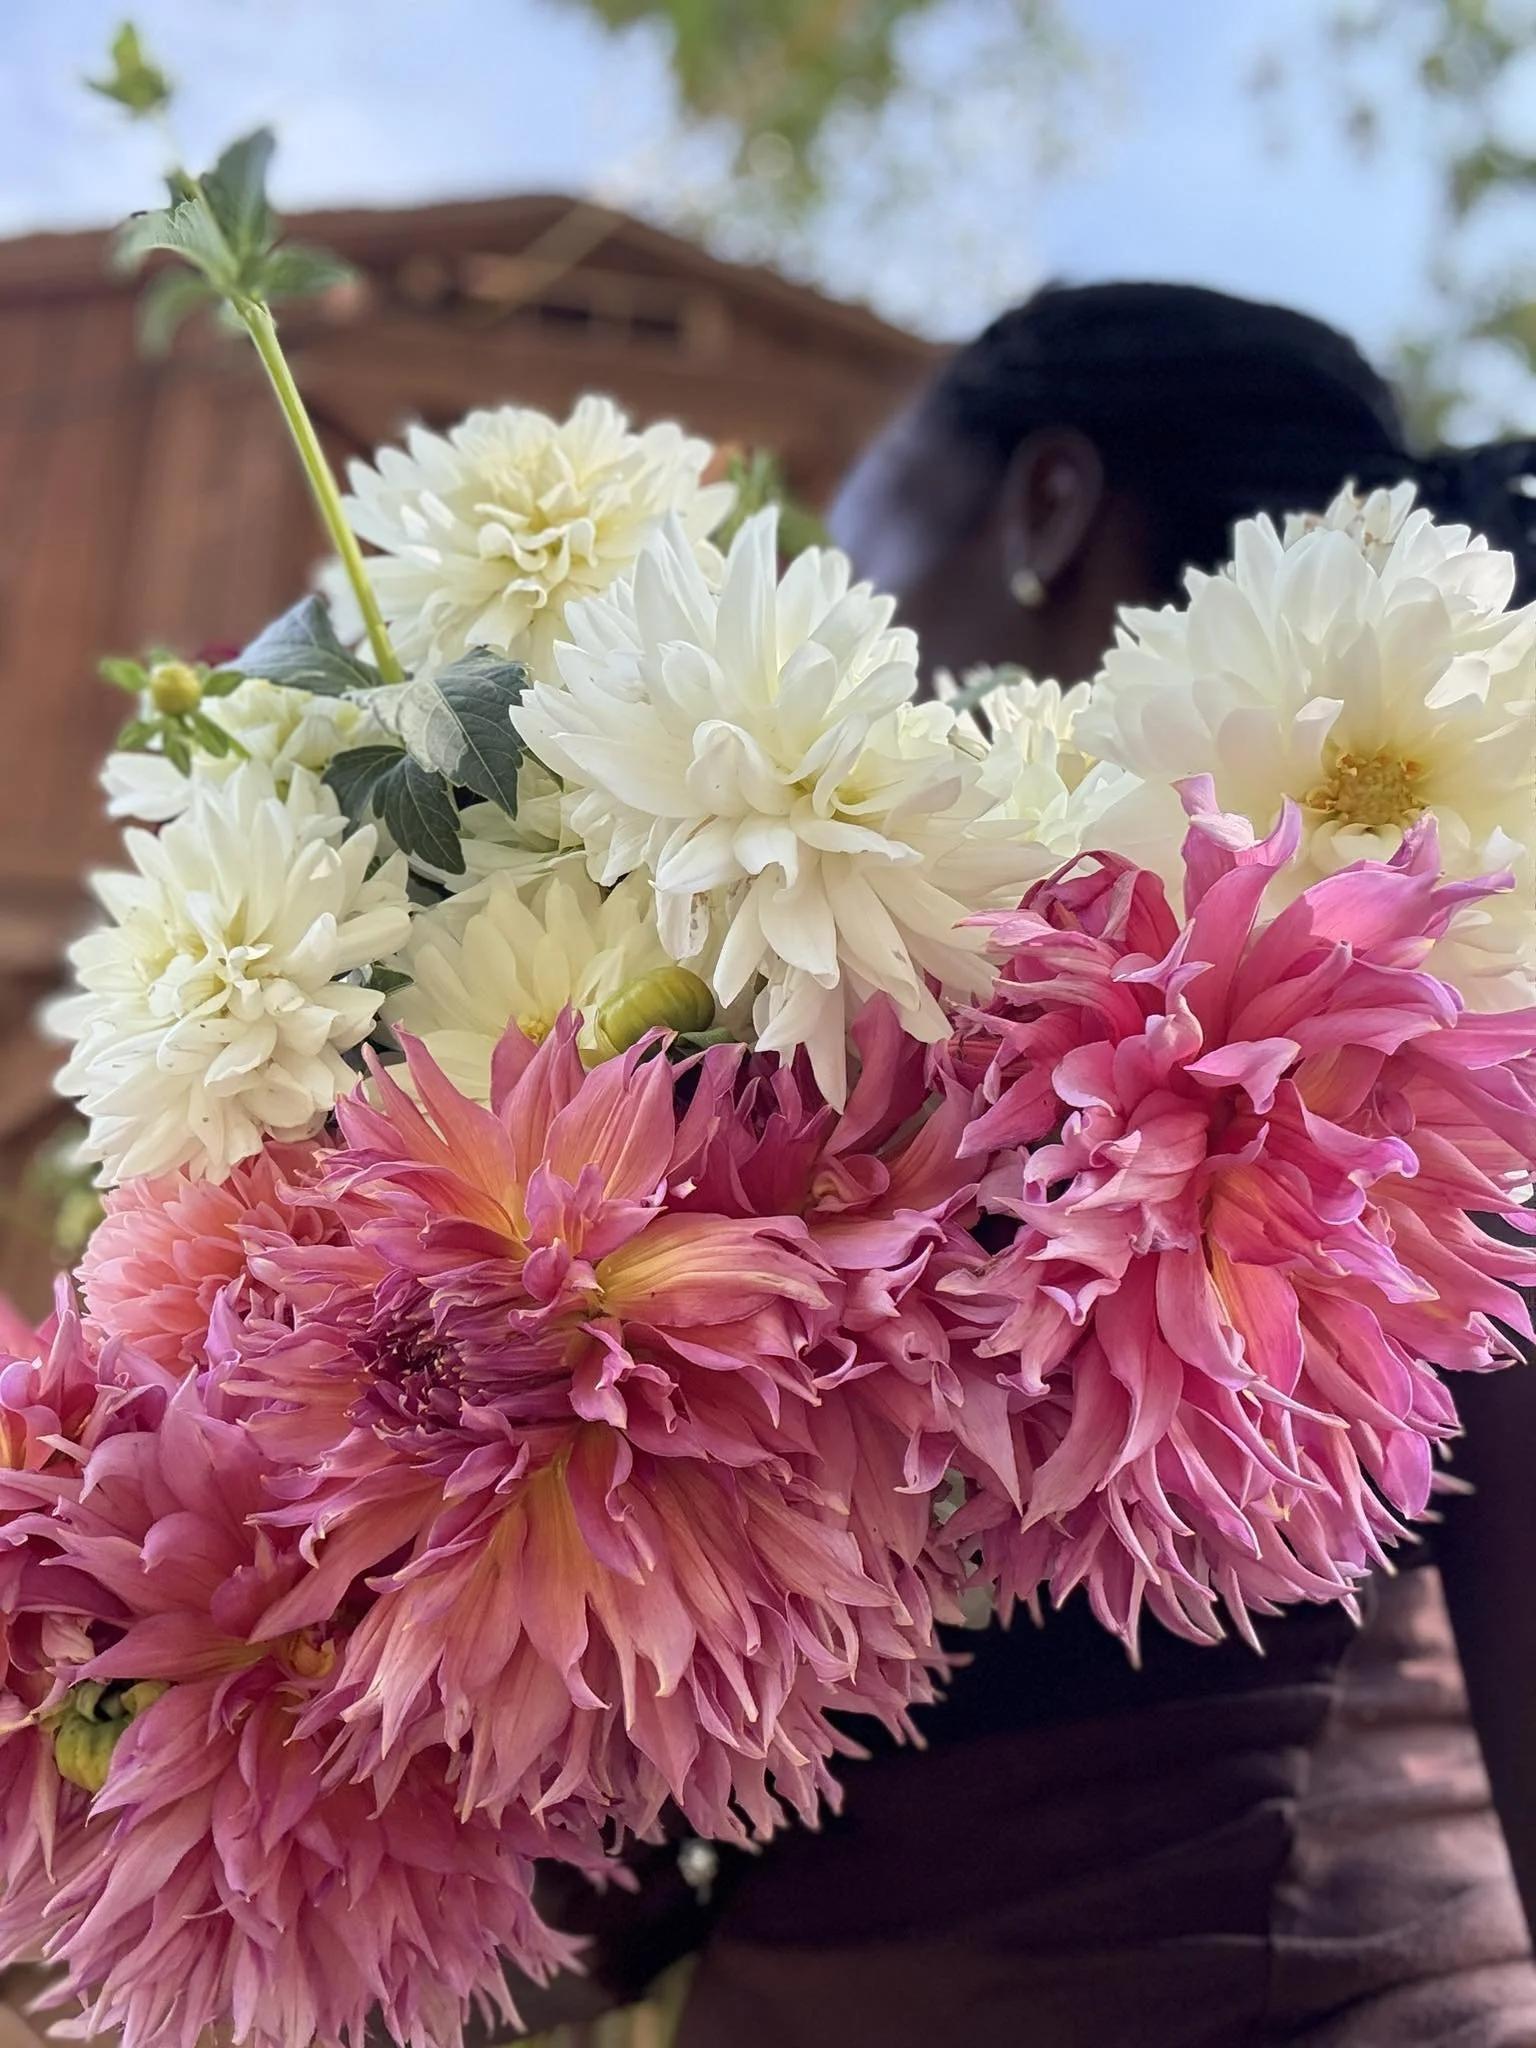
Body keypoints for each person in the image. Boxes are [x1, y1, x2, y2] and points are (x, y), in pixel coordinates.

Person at [521, 283, 1536, 2048]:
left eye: (854, 515)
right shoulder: (742, 1046)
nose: (832, 566)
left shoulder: (1429, 991)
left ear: (1047, 505)